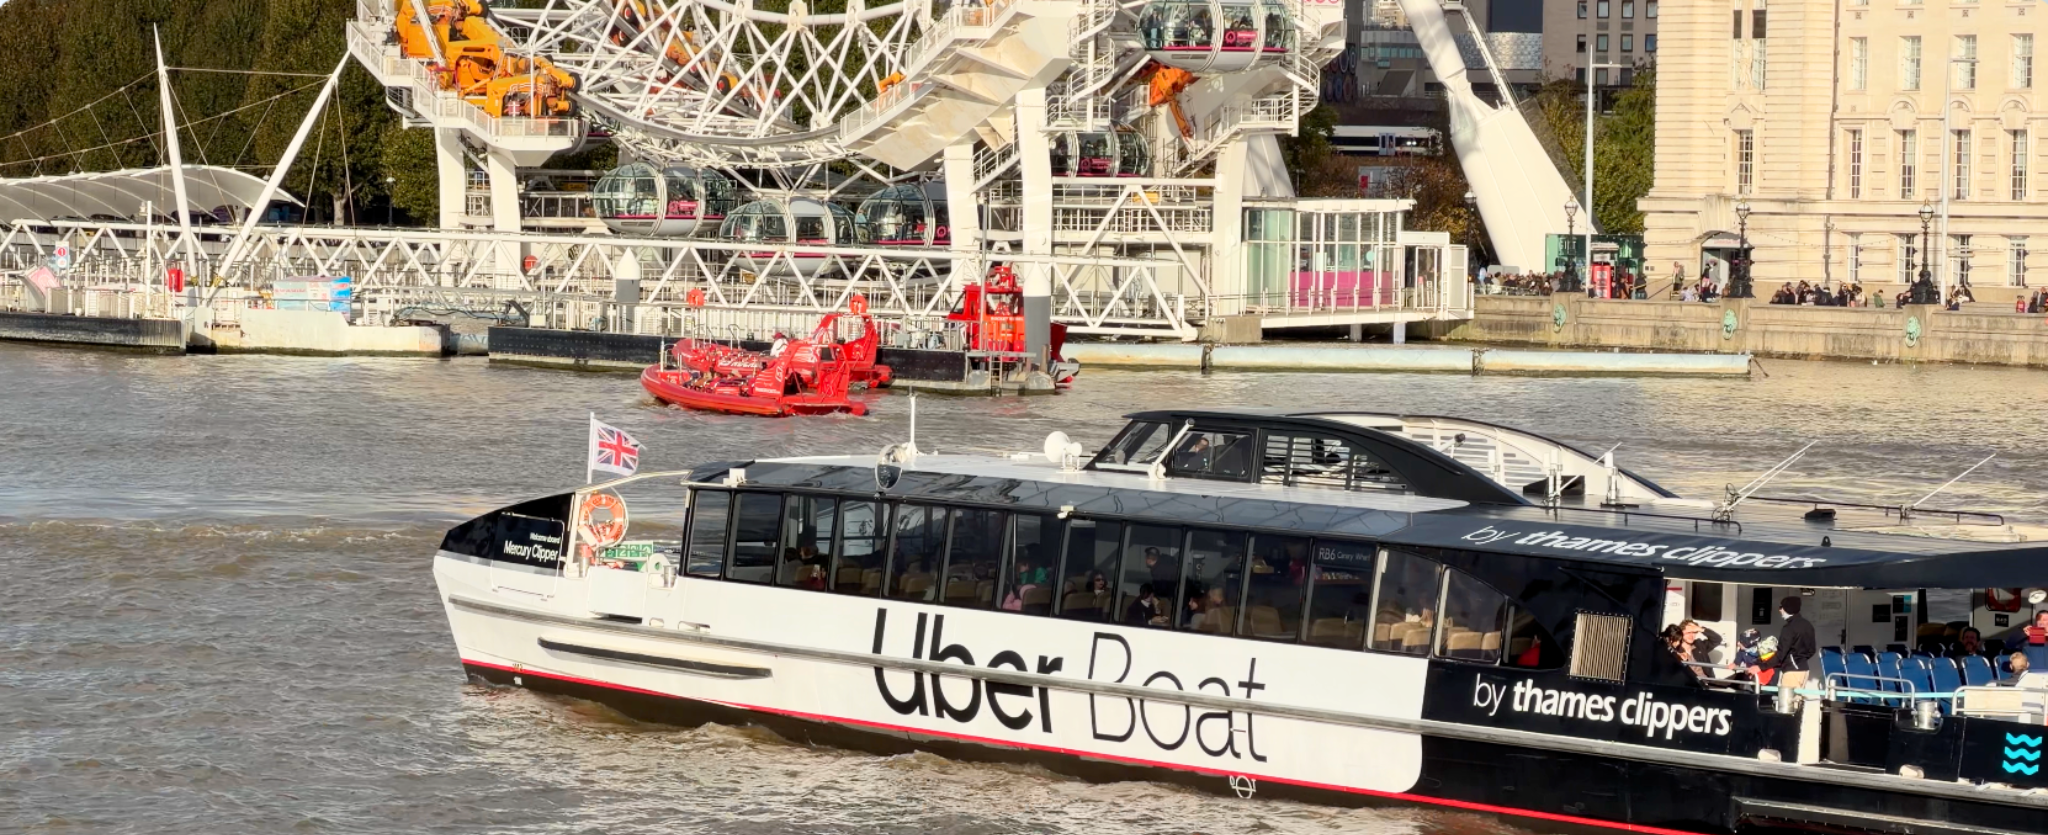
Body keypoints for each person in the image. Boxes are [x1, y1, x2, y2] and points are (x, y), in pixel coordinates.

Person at [1749, 596, 1816, 696]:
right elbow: (1812, 650)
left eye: (1781, 607)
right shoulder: (1808, 625)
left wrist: (1761, 666)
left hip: (1792, 671)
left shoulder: (1789, 628)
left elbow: (1780, 654)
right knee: (1797, 701)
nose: (1779, 610)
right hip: (1804, 669)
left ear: (1787, 609)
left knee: (1787, 703)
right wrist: (1800, 659)